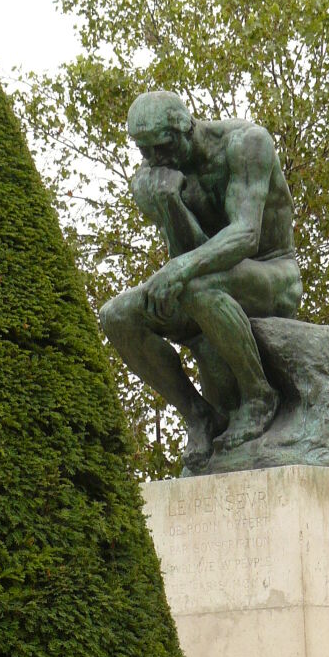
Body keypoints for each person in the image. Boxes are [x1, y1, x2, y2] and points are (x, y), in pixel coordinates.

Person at [99, 91, 303, 471]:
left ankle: (260, 397)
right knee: (117, 315)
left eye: (161, 147)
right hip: (210, 280)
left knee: (196, 283)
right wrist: (168, 204)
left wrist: (179, 271)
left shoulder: (246, 144)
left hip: (273, 274)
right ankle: (198, 416)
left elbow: (245, 235)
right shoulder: (161, 177)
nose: (155, 161)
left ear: (185, 127)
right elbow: (187, 251)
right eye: (145, 153)